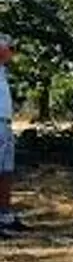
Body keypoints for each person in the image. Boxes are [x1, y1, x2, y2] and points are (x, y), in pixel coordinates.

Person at [0, 34, 28, 238]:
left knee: (6, 172)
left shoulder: (3, 71)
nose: (12, 52)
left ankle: (5, 215)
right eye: (9, 48)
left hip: (5, 125)